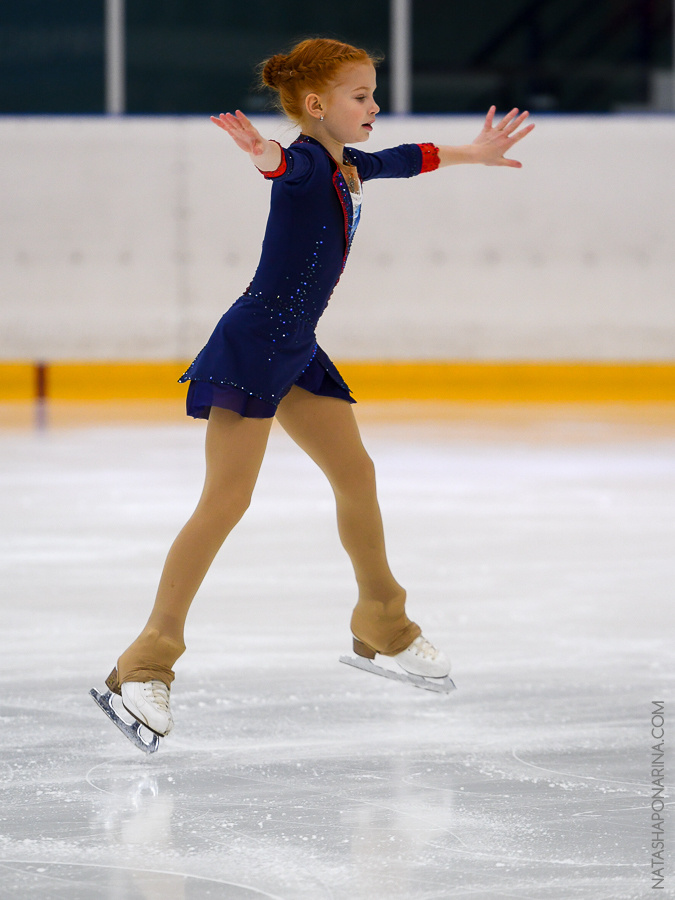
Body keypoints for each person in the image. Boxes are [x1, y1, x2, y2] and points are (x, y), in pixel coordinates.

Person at [101, 37, 534, 740]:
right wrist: (260, 154)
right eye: (360, 96)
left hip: (295, 350)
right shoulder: (306, 162)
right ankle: (146, 661)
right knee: (225, 502)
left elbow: (406, 158)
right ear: (315, 105)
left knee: (355, 475)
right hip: (251, 348)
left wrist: (471, 153)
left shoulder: (346, 165)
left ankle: (383, 621)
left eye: (371, 93)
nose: (374, 105)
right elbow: (282, 167)